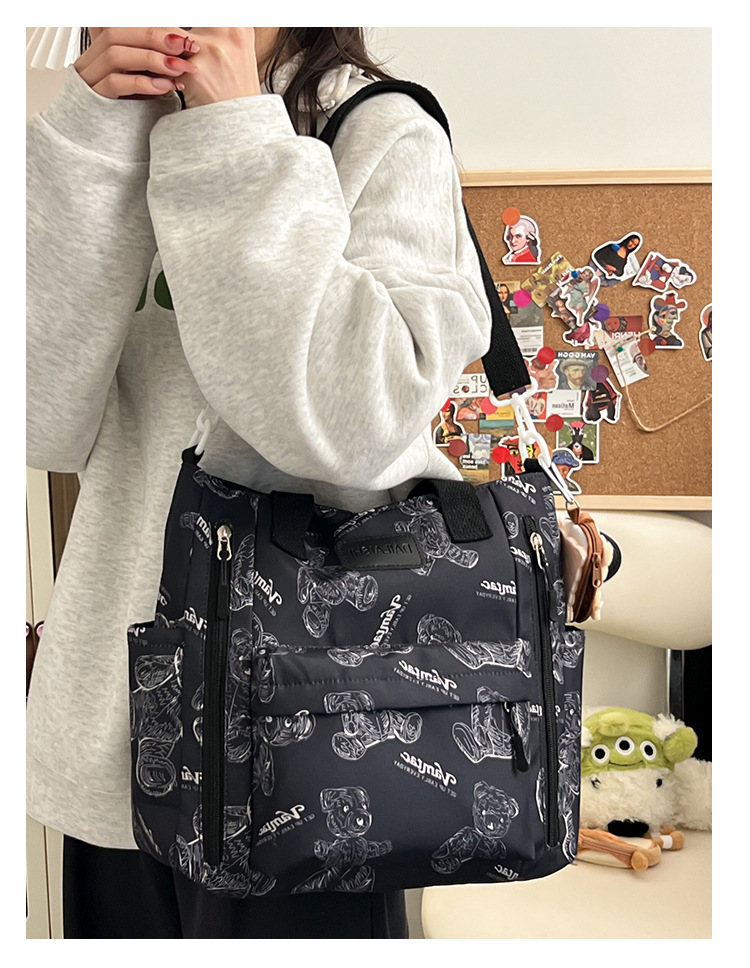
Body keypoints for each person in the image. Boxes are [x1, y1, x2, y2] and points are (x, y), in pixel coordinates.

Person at [26, 27, 495, 940]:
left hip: (316, 742)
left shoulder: (382, 129)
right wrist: (86, 142)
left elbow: (350, 430)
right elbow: (37, 419)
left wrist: (238, 132)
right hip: (122, 733)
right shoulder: (108, 129)